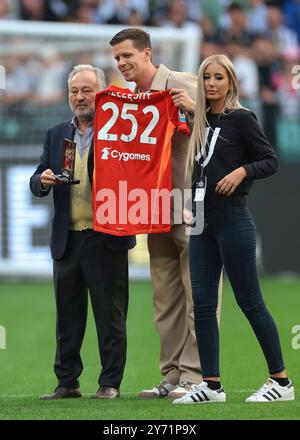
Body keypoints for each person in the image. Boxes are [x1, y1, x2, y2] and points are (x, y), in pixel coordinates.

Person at [173, 54, 295, 404]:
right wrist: (186, 203)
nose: (211, 83)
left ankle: (281, 382)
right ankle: (211, 385)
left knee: (250, 301)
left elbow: (269, 160)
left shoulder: (242, 118)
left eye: (218, 78)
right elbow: (197, 172)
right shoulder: (198, 122)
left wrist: (242, 171)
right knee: (204, 305)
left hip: (232, 219)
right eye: (207, 77)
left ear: (231, 82)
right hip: (200, 222)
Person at [109, 28, 222, 399]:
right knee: (166, 297)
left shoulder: (184, 83)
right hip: (156, 208)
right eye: (117, 59)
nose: (122, 64)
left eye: (127, 56)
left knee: (199, 293)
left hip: (192, 204)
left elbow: (232, 121)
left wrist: (195, 109)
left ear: (147, 53)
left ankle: (196, 376)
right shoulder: (129, 101)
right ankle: (171, 375)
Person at [30, 64, 135, 400]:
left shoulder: (120, 131)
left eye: (86, 90)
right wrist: (42, 181)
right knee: (68, 318)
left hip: (106, 236)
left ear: (101, 93)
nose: (79, 97)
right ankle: (67, 382)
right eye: (74, 91)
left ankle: (110, 384)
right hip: (67, 238)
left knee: (111, 315)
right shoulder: (56, 133)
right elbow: (37, 178)